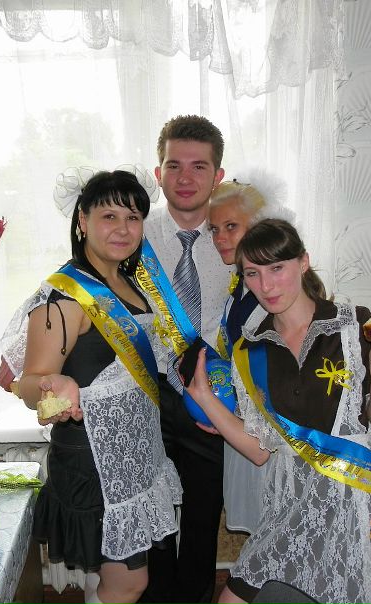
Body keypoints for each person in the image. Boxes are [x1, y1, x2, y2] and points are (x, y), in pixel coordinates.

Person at [185, 218, 371, 604]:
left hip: (355, 504)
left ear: (303, 262)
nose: (266, 286)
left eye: (277, 268)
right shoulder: (248, 350)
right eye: (253, 273)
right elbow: (261, 449)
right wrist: (207, 399)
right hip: (289, 508)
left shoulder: (358, 322)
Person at [0, 169, 182, 604]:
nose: (123, 229)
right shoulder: (65, 297)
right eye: (109, 216)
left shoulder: (130, 282)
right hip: (95, 459)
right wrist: (52, 385)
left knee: (107, 578)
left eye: (133, 218)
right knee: (130, 583)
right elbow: (29, 384)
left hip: (136, 450)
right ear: (82, 220)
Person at [139, 115, 229, 604]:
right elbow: (76, 281)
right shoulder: (134, 234)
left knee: (202, 515)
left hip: (211, 396)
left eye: (199, 166)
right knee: (152, 515)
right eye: (174, 165)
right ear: (159, 173)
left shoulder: (236, 235)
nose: (185, 178)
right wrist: (20, 349)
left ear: (218, 175)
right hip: (146, 390)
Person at [207, 172, 293, 534]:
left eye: (231, 226)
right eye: (214, 229)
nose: (220, 238)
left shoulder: (277, 295)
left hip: (276, 440)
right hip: (246, 427)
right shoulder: (241, 285)